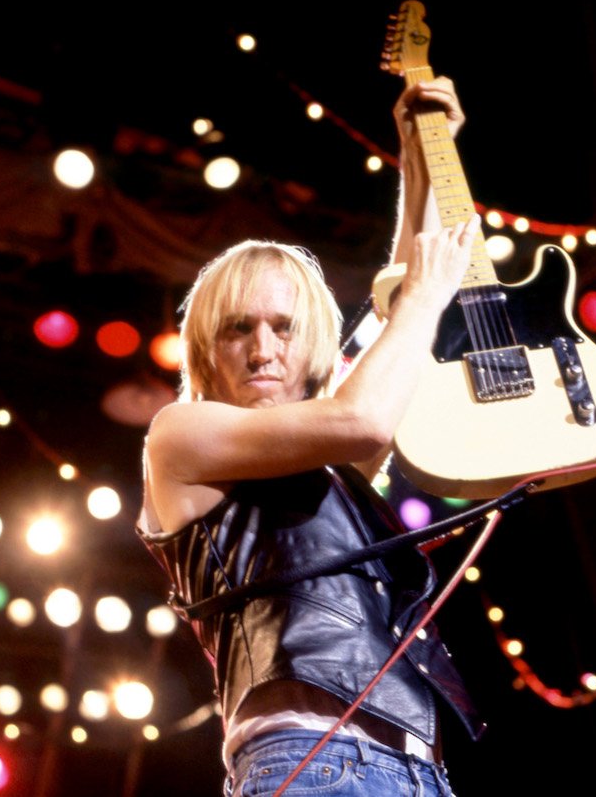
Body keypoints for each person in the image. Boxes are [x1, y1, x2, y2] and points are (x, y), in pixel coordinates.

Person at [137, 77, 485, 797]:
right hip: (311, 762)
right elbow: (365, 412)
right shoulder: (183, 434)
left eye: (283, 326)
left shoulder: (334, 458)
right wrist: (426, 294)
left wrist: (421, 151)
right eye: (239, 327)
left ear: (313, 343)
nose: (263, 348)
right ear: (207, 346)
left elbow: (391, 326)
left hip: (420, 769)